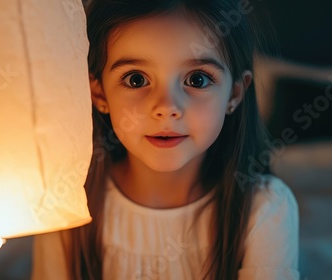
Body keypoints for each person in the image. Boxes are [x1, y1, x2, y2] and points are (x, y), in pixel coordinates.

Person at [32, 0, 299, 279]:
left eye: (197, 80)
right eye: (136, 80)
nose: (166, 107)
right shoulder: (66, 203)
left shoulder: (265, 209)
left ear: (233, 94)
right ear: (99, 94)